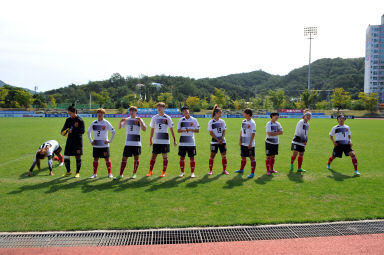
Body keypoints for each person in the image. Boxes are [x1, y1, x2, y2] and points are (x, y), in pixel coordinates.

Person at [115, 106, 146, 180]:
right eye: (131, 111)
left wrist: (141, 121)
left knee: (136, 158)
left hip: (136, 143)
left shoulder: (139, 119)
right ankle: (120, 174)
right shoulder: (127, 120)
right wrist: (120, 121)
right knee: (124, 158)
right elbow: (119, 127)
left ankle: (134, 173)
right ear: (129, 112)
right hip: (128, 143)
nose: (132, 112)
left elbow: (144, 129)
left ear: (136, 112)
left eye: (133, 111)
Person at [147, 102, 177, 177]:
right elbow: (152, 129)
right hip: (156, 140)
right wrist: (151, 139)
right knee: (154, 156)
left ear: (164, 108)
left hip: (165, 140)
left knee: (165, 156)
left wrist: (174, 140)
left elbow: (171, 129)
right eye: (158, 107)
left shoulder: (167, 118)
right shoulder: (154, 117)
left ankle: (163, 172)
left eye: (161, 107)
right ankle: (150, 171)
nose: (159, 108)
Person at [87, 108, 116, 179]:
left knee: (107, 159)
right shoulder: (94, 123)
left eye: (101, 113)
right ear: (97, 114)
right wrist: (91, 140)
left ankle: (109, 173)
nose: (100, 114)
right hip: (96, 145)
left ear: (104, 114)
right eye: (99, 113)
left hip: (104, 145)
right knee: (95, 159)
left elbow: (113, 131)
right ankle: (94, 174)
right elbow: (88, 131)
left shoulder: (106, 123)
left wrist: (109, 140)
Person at [61, 104, 85, 178]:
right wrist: (67, 131)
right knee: (66, 156)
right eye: (68, 113)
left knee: (77, 157)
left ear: (74, 112)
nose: (69, 115)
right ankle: (68, 171)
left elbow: (82, 131)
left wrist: (73, 130)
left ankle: (77, 172)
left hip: (77, 141)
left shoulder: (80, 120)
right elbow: (63, 130)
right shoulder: (68, 120)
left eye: (70, 113)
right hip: (69, 141)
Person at [177, 106, 200, 178]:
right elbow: (178, 130)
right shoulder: (181, 120)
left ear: (188, 111)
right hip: (182, 141)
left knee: (192, 158)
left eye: (186, 110)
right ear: (182, 113)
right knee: (182, 157)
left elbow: (197, 130)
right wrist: (184, 130)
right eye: (184, 111)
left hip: (191, 141)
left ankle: (192, 173)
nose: (185, 112)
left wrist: (190, 130)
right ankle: (182, 172)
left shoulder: (194, 120)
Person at [234, 108, 256, 178]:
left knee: (251, 158)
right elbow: (241, 131)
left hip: (249, 143)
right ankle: (241, 169)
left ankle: (252, 173)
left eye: (244, 113)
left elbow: (253, 133)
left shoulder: (252, 123)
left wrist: (250, 143)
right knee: (243, 157)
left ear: (248, 114)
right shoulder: (243, 121)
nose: (243, 114)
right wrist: (240, 140)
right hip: (243, 142)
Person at [208, 105, 229, 175]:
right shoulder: (211, 122)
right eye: (220, 113)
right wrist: (217, 139)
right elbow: (211, 132)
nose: (221, 114)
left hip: (222, 141)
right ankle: (210, 170)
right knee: (212, 155)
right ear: (216, 113)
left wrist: (222, 138)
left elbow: (224, 130)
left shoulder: (222, 121)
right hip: (214, 141)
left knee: (224, 155)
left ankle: (224, 170)